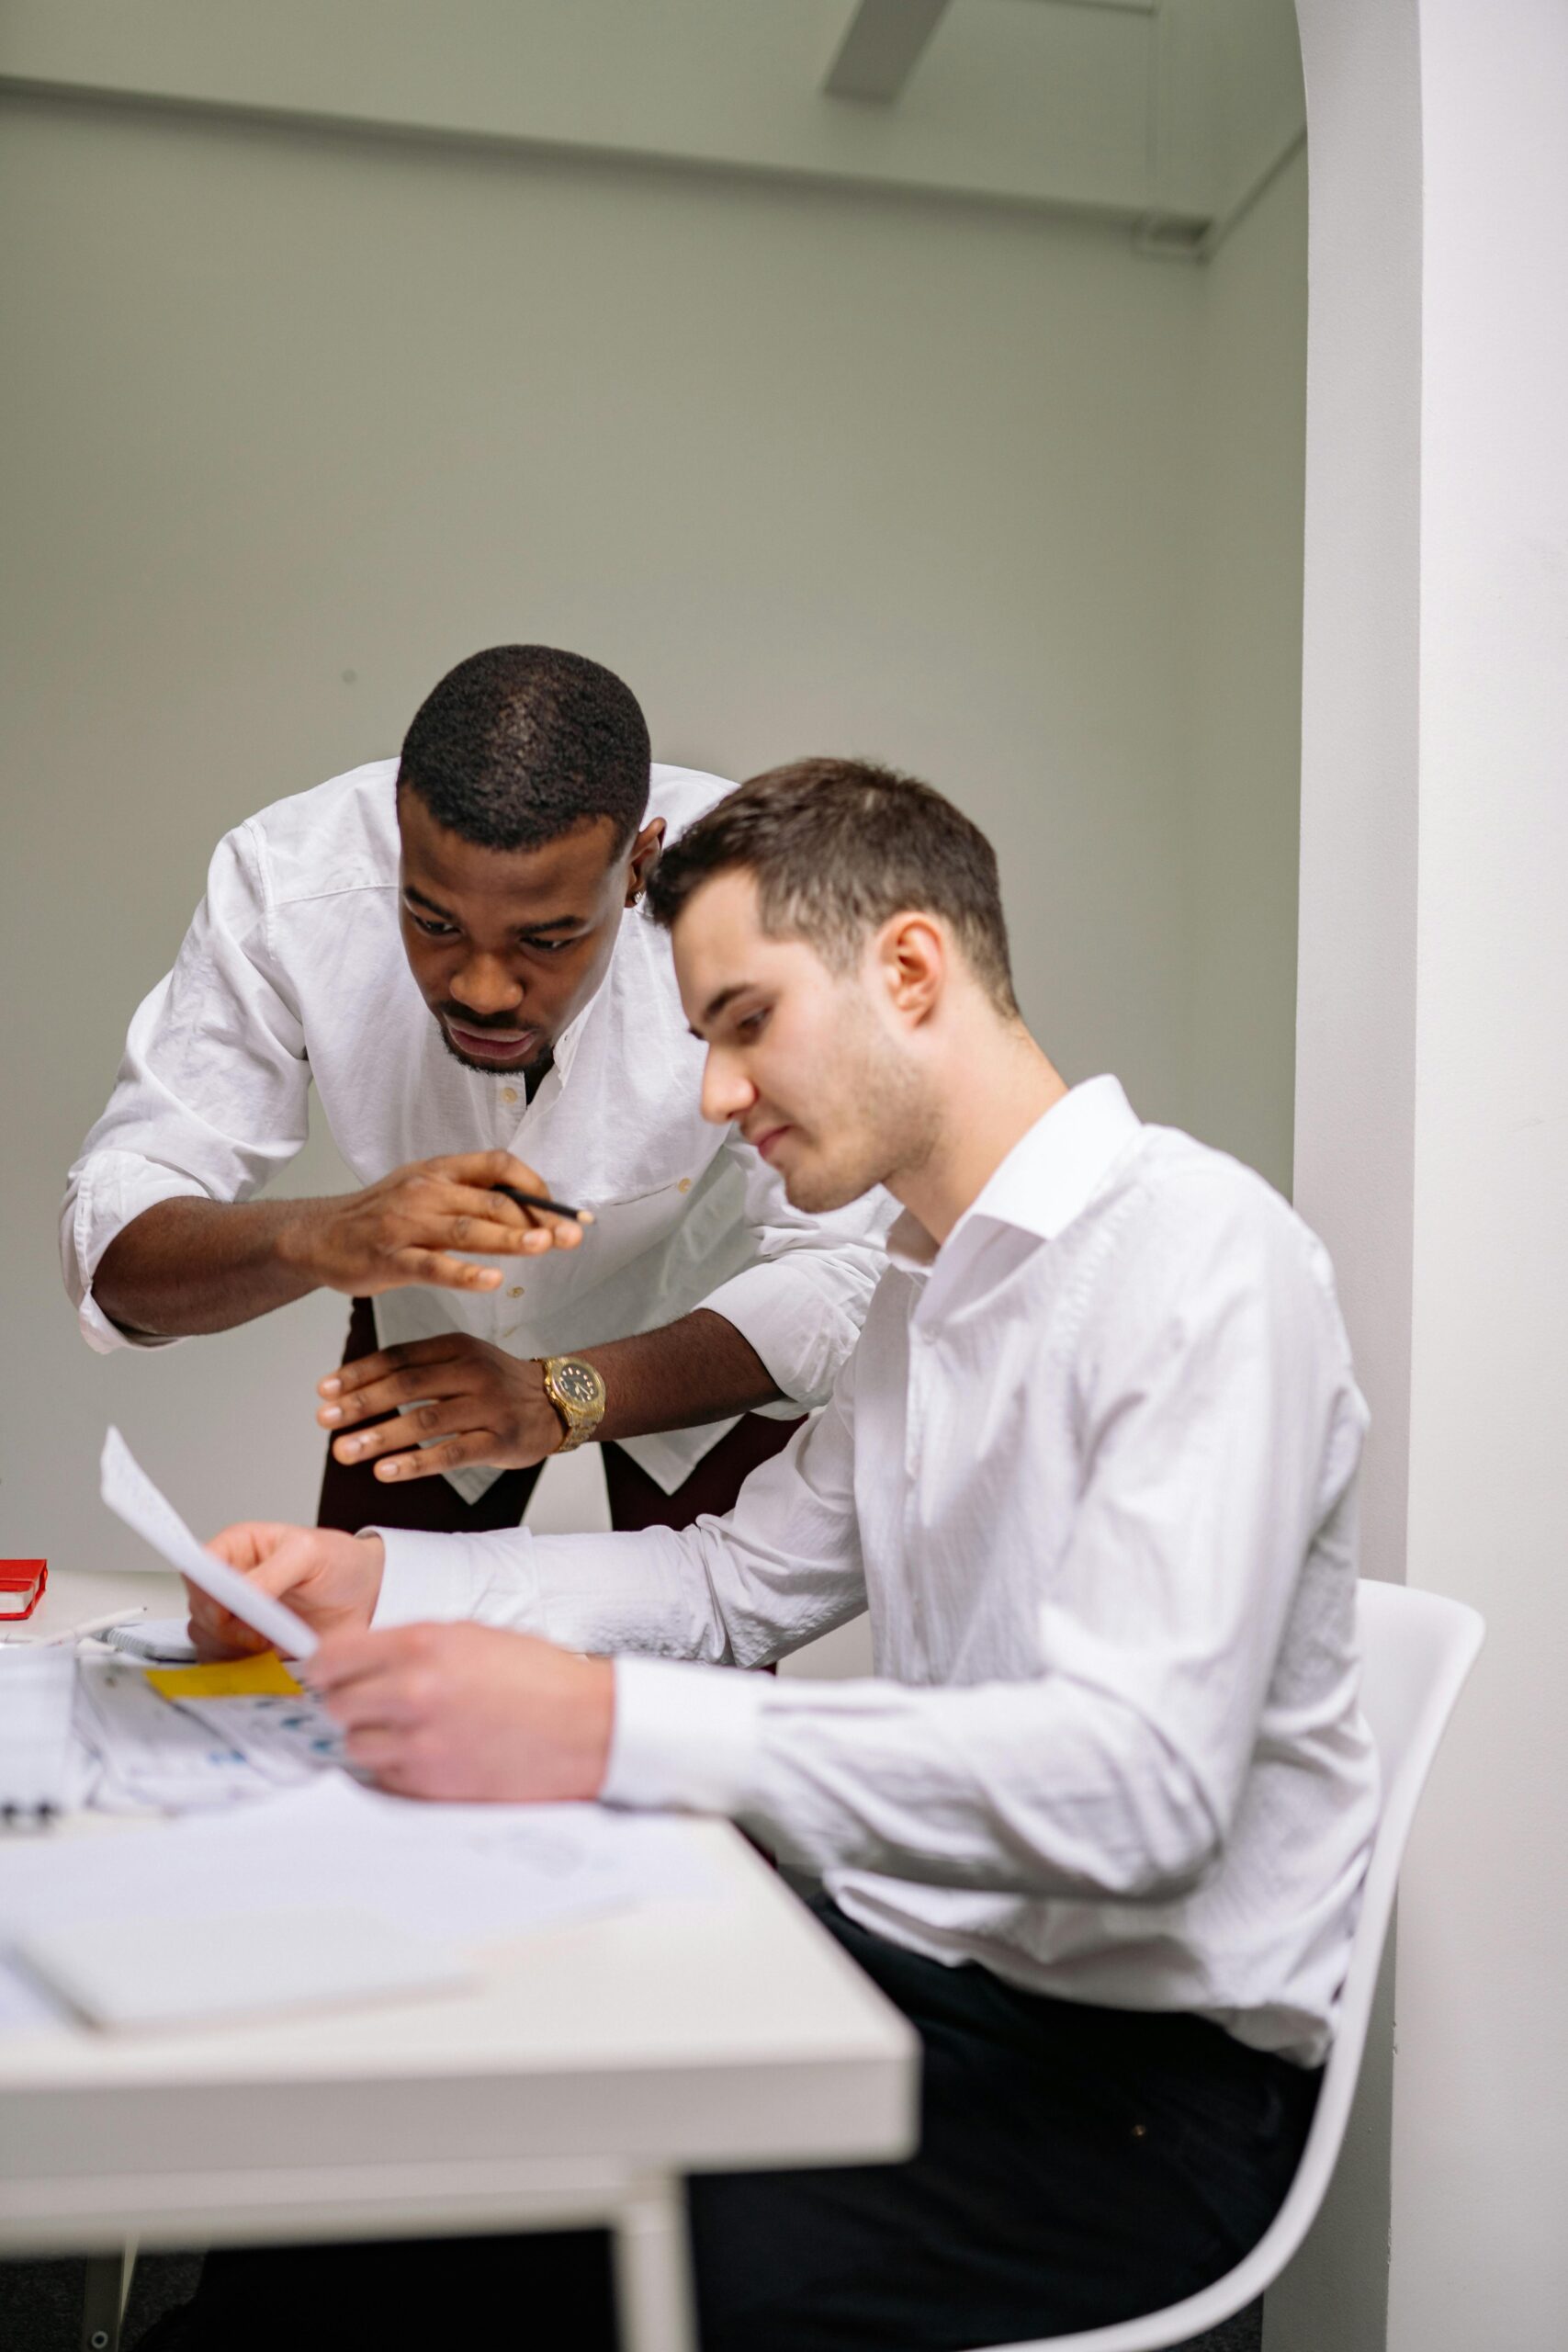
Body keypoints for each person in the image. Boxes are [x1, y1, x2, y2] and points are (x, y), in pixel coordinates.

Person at [154, 759, 1380, 2351]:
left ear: (912, 969)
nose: (718, 1097)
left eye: (743, 1022)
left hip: (1125, 2112)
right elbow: (735, 1585)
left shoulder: (1204, 1262)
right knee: (362, 2176)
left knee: (454, 2258)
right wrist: (379, 1582)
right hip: (907, 1984)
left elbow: (1139, 1792)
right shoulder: (925, 1291)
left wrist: (600, 1726)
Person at [62, 648, 890, 1543]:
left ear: (640, 867)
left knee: (698, 1672)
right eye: (433, 922)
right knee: (355, 1655)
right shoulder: (286, 885)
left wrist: (564, 1394)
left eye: (548, 937)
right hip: (431, 1327)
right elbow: (112, 1244)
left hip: (711, 1325)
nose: (485, 990)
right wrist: (314, 1238)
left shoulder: (772, 903)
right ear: (398, 834)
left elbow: (847, 1269)